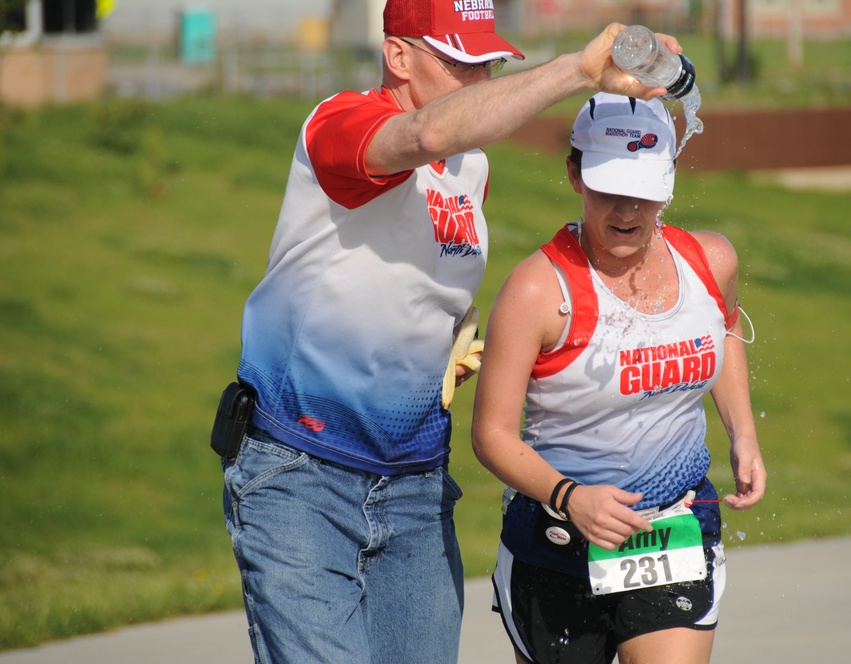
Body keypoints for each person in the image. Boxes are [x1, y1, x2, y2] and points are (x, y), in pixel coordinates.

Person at [215, 0, 688, 660]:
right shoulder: (342, 124)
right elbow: (426, 136)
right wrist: (577, 70)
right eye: (461, 63)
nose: (482, 82)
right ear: (398, 56)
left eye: (488, 63)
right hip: (301, 476)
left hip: (413, 483)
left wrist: (451, 330)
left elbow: (414, 264)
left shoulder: (474, 171)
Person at [471, 92, 767, 664]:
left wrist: (743, 433)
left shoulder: (711, 261)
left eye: (644, 192)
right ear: (575, 176)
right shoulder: (537, 292)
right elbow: (491, 435)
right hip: (557, 544)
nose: (627, 211)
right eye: (609, 189)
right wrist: (571, 497)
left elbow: (725, 330)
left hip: (674, 528)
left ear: (670, 179)